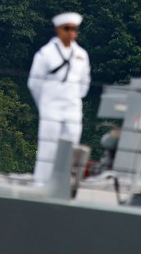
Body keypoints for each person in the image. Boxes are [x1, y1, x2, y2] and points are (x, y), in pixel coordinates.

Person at [27, 12, 91, 185]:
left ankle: (62, 181)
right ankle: (41, 182)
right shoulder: (45, 53)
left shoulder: (81, 54)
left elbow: (85, 82)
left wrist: (74, 98)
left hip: (72, 106)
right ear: (58, 30)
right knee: (48, 145)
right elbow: (34, 83)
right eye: (67, 29)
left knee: (71, 143)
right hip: (51, 105)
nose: (71, 33)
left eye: (74, 29)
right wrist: (45, 103)